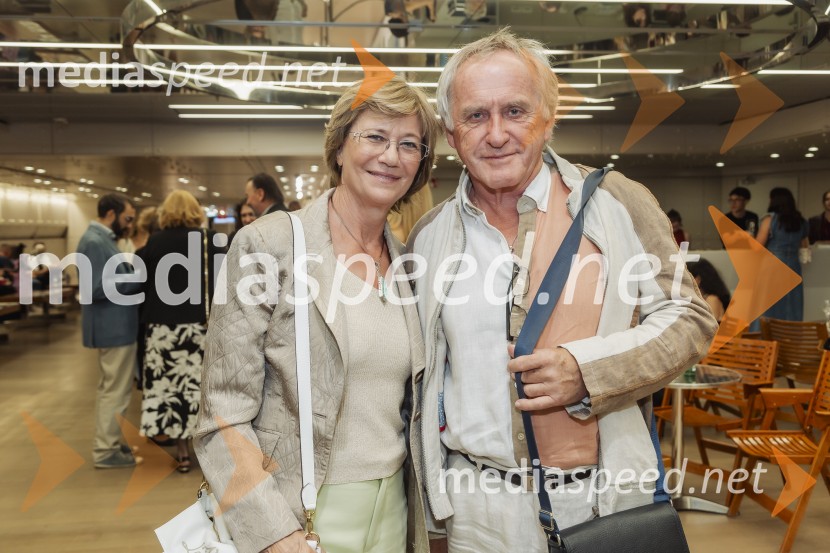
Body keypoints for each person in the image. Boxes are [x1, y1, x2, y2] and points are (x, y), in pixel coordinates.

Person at [407, 29, 717, 551]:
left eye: (516, 111)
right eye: (476, 116)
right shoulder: (430, 236)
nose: (496, 133)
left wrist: (588, 371)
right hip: (472, 511)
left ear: (548, 119)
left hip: (596, 502)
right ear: (451, 132)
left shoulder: (616, 203)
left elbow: (690, 318)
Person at [195, 76, 440, 553]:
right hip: (295, 512)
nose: (391, 156)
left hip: (393, 510)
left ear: (421, 165)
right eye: (375, 137)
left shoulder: (411, 265)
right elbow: (221, 415)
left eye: (409, 144)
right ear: (340, 148)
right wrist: (272, 532)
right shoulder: (269, 246)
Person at [136, 190, 222, 473]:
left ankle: (182, 453)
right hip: (198, 328)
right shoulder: (206, 241)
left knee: (170, 392)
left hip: (162, 330)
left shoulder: (155, 243)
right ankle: (210, 450)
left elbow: (140, 284)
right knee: (199, 390)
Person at [76, 194, 143, 469]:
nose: (129, 224)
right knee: (115, 391)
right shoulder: (94, 241)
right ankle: (105, 451)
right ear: (112, 214)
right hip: (113, 327)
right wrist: (139, 275)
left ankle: (110, 442)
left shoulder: (100, 239)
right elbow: (94, 287)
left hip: (115, 326)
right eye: (127, 218)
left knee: (113, 388)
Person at [756, 187, 809, 322]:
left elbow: (757, 246)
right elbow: (805, 245)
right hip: (793, 265)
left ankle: (766, 336)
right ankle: (791, 335)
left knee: (769, 303)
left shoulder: (769, 220)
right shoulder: (801, 221)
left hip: (773, 265)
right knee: (792, 303)